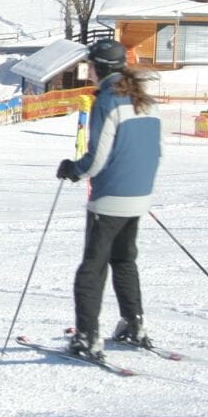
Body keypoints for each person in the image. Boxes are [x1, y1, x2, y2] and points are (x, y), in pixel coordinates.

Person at [56, 39, 162, 360]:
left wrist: (73, 170)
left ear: (98, 67)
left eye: (90, 64)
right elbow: (155, 150)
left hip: (111, 197)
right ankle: (134, 324)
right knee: (124, 260)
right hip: (139, 195)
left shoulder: (107, 100)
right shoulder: (143, 98)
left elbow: (97, 158)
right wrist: (137, 184)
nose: (87, 69)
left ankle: (87, 338)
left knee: (92, 268)